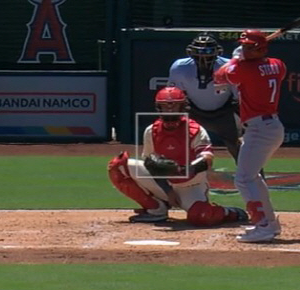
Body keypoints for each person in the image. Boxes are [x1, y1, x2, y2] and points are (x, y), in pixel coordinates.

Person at [107, 86, 248, 226]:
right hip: (166, 183)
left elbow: (207, 159)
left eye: (174, 107)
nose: (169, 111)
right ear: (158, 108)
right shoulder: (151, 131)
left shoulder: (195, 130)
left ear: (182, 108)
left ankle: (228, 212)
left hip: (191, 186)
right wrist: (168, 190)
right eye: (165, 107)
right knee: (118, 166)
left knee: (202, 216)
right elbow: (150, 163)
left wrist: (185, 169)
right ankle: (156, 209)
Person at [214, 29, 287, 243]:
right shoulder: (278, 64)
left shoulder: (244, 70)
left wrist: (235, 60)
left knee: (244, 179)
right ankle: (269, 223)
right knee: (251, 177)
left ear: (260, 48)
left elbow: (219, 79)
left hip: (259, 129)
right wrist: (243, 57)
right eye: (243, 45)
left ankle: (264, 226)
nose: (244, 49)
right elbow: (260, 65)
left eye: (248, 46)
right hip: (270, 126)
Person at [167, 33, 242, 163]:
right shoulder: (180, 68)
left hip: (224, 113)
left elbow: (239, 99)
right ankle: (174, 175)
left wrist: (245, 126)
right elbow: (175, 97)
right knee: (174, 142)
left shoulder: (230, 67)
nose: (203, 59)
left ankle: (254, 177)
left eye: (208, 54)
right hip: (193, 112)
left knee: (242, 147)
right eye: (199, 54)